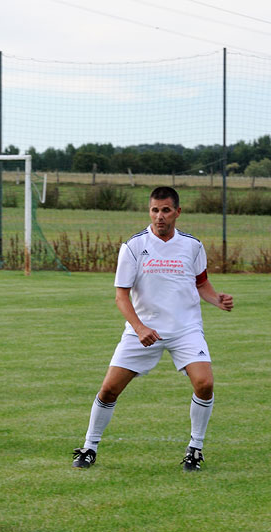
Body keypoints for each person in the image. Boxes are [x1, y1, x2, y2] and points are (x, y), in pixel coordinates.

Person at [72, 186, 234, 472]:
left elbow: (201, 283)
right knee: (109, 390)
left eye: (166, 210)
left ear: (177, 212)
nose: (160, 216)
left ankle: (195, 449)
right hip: (143, 330)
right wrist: (139, 327)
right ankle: (89, 447)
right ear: (150, 212)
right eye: (155, 210)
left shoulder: (192, 245)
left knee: (205, 384)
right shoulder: (133, 246)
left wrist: (216, 299)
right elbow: (121, 295)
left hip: (186, 329)